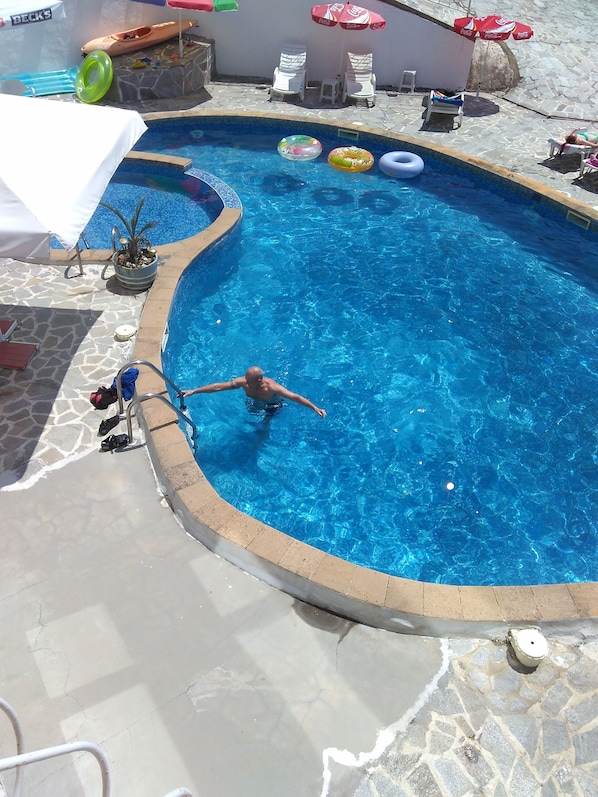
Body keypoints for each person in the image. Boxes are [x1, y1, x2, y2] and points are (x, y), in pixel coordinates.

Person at [182, 366, 327, 418]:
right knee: (252, 412)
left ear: (258, 381)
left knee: (265, 424)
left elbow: (295, 397)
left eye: (248, 379)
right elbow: (219, 387)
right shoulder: (243, 382)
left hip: (272, 405)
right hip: (254, 401)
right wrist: (194, 391)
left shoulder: (272, 388)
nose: (244, 381)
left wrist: (315, 408)